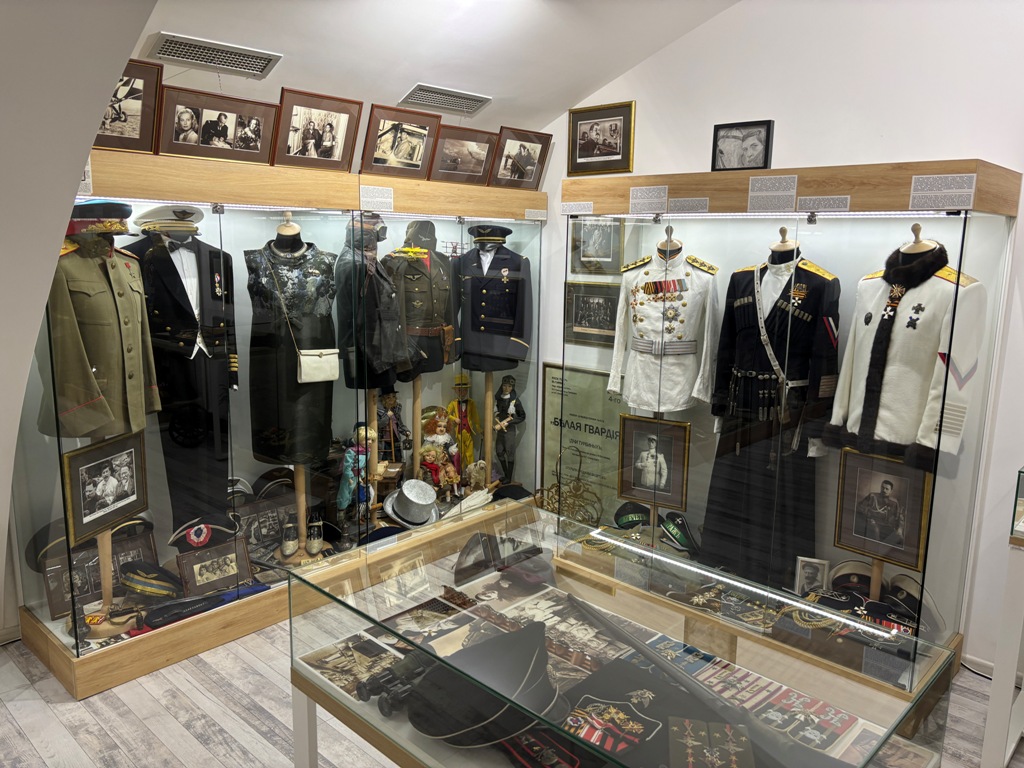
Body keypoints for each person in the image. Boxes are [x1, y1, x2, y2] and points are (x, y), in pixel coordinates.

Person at [493, 374, 526, 483]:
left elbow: (522, 416)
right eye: (504, 386)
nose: (506, 388)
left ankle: (509, 478)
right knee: (499, 451)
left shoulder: (515, 401)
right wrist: (497, 414)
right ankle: (506, 474)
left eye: (509, 386)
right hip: (500, 429)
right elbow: (496, 410)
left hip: (509, 430)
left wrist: (510, 422)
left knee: (509, 452)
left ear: (512, 387)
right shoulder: (499, 399)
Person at [855, 479, 905, 545]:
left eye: (887, 489)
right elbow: (860, 507)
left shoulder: (894, 502)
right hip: (873, 524)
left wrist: (900, 529)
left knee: (900, 539)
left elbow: (899, 517)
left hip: (886, 526)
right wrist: (868, 518)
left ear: (891, 491)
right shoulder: (872, 496)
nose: (884, 490)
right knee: (875, 531)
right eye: (882, 487)